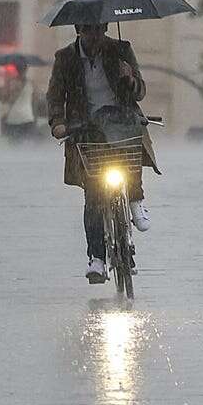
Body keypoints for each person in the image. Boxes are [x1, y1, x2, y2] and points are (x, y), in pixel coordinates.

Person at [47, 23, 161, 283]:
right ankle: (96, 257)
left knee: (131, 156)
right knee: (94, 194)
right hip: (87, 129)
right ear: (79, 30)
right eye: (89, 31)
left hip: (121, 122)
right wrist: (57, 123)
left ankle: (135, 199)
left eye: (99, 30)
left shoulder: (120, 50)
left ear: (106, 28)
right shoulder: (65, 59)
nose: (95, 36)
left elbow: (140, 92)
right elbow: (54, 96)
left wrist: (129, 77)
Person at [0, 64, 37, 141]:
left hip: (14, 118)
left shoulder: (12, 82)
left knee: (14, 145)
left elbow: (6, 99)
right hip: (27, 117)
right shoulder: (31, 83)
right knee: (28, 146)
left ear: (17, 70)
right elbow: (35, 99)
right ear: (26, 70)